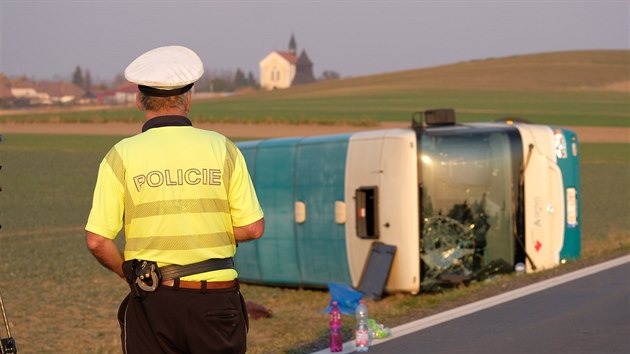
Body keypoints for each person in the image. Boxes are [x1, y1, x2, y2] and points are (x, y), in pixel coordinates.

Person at [85, 45, 265, 354]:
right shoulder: (224, 148)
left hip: (154, 299)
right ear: (189, 99)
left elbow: (97, 241)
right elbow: (253, 229)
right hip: (217, 302)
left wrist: (130, 275)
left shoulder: (121, 156)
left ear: (139, 101)